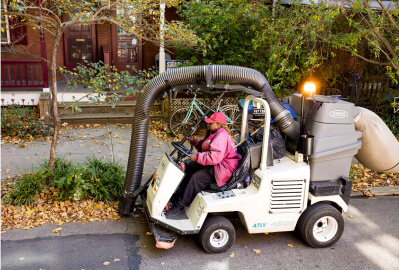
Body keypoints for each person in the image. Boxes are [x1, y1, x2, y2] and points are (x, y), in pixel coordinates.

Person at [167, 112, 242, 216]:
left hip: (223, 168)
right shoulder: (215, 132)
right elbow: (206, 146)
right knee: (190, 167)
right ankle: (180, 193)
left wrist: (197, 157)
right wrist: (194, 141)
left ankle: (180, 205)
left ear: (219, 124)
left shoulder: (221, 135)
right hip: (218, 163)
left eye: (211, 123)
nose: (208, 125)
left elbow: (215, 157)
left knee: (196, 178)